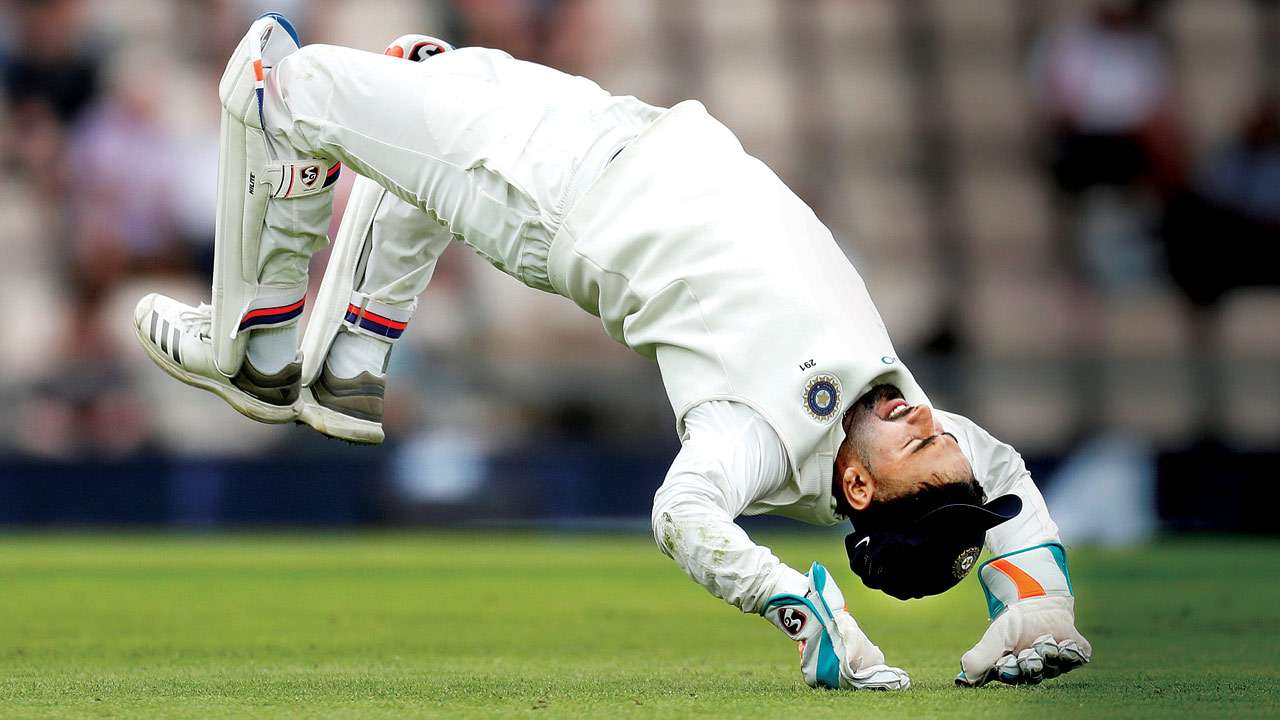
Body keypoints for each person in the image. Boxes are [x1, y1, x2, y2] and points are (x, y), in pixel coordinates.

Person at [133, 14, 1092, 690]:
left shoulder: (757, 436)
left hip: (546, 187)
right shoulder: (888, 414)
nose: (931, 421)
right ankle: (348, 366)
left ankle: (253, 346)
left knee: (268, 77)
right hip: (607, 134)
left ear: (856, 493)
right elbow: (998, 467)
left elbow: (681, 513)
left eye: (922, 450)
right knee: (417, 63)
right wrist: (1040, 599)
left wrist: (796, 605)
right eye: (941, 438)